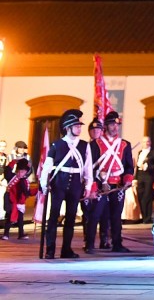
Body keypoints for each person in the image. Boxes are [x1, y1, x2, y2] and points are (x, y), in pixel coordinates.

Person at [39, 109, 94, 259]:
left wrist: (88, 186)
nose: (80, 128)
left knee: (71, 218)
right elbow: (47, 166)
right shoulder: (56, 145)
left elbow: (88, 167)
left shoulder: (84, 145)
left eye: (80, 126)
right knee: (53, 216)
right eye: (76, 126)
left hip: (76, 183)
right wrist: (44, 184)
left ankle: (66, 249)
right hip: (59, 182)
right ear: (68, 128)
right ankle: (50, 249)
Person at [89, 111, 135, 253]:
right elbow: (90, 167)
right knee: (95, 215)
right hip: (101, 185)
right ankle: (90, 244)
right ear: (106, 126)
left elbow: (128, 166)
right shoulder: (96, 144)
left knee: (116, 216)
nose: (115, 127)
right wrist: (97, 184)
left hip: (118, 185)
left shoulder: (125, 144)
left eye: (117, 125)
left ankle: (117, 243)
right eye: (112, 124)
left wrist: (127, 179)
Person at [82, 118, 109, 252]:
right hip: (87, 184)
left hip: (101, 184)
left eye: (98, 129)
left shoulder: (106, 147)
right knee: (87, 214)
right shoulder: (83, 147)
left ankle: (104, 240)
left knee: (103, 213)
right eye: (93, 130)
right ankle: (88, 240)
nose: (96, 132)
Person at [2, 158, 33, 240]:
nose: (20, 173)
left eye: (22, 171)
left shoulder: (25, 181)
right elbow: (7, 171)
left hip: (20, 202)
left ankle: (21, 234)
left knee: (20, 219)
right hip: (11, 200)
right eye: (19, 171)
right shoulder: (12, 177)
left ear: (26, 172)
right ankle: (6, 234)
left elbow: (28, 192)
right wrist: (13, 162)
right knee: (9, 217)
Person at [136, 136, 154, 224]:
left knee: (147, 197)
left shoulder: (153, 152)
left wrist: (148, 167)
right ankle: (144, 217)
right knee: (140, 196)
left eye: (148, 141)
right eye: (144, 142)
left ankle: (147, 218)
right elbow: (137, 167)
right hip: (140, 176)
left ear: (150, 142)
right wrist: (135, 178)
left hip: (149, 176)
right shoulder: (140, 152)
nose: (146, 143)